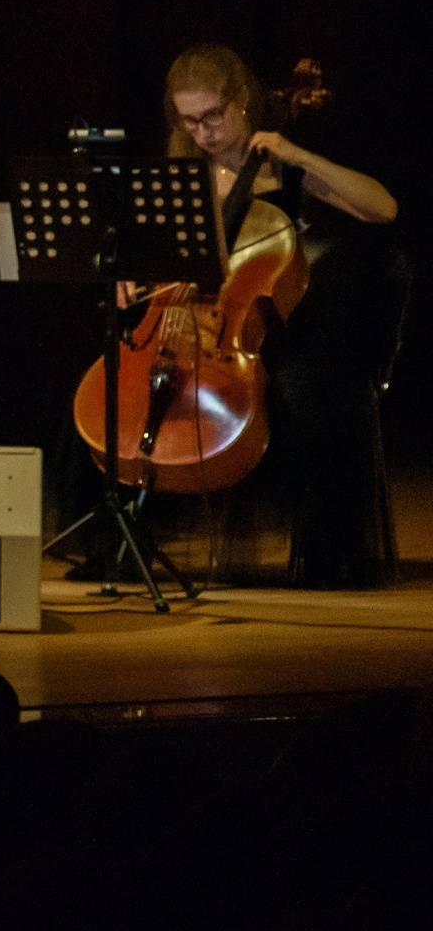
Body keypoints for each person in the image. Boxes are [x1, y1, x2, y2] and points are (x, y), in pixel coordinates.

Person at [160, 45, 401, 586]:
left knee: (308, 390)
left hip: (278, 329)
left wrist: (301, 156)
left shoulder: (282, 169)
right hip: (197, 324)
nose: (203, 133)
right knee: (120, 387)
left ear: (242, 102)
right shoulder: (180, 176)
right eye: (189, 121)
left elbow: (383, 208)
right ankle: (125, 543)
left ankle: (322, 552)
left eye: (212, 117)